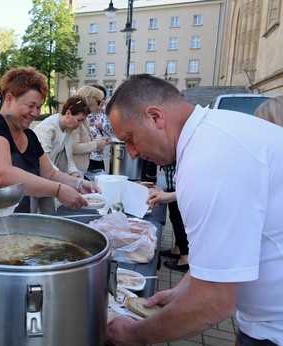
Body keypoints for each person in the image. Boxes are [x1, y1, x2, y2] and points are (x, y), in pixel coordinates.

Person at [105, 74, 283, 345]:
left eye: (129, 138)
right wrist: (182, 291)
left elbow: (213, 303)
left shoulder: (208, 163)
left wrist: (133, 334)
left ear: (155, 117)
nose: (131, 152)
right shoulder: (215, 134)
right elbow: (220, 255)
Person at [0, 66, 100, 216]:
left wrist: (79, 183)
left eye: (39, 107)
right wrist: (58, 190)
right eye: (31, 106)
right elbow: (2, 175)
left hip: (10, 219)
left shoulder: (29, 136)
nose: (35, 113)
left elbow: (48, 173)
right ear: (9, 99)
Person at [33, 96, 91, 213]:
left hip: (48, 178)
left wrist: (78, 179)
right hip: (33, 177)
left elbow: (68, 158)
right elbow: (46, 162)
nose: (80, 125)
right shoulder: (47, 128)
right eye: (79, 120)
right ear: (68, 113)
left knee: (49, 214)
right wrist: (74, 182)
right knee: (30, 215)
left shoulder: (68, 129)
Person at [147, 162, 188, 272]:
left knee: (177, 217)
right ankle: (178, 249)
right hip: (175, 184)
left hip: (177, 185)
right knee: (175, 216)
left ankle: (185, 258)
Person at [70, 85, 111, 180]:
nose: (100, 106)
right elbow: (73, 147)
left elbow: (83, 141)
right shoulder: (78, 119)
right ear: (91, 101)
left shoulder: (84, 119)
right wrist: (96, 144)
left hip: (82, 169)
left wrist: (100, 142)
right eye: (99, 102)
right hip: (76, 170)